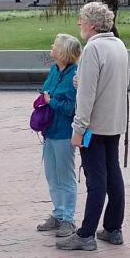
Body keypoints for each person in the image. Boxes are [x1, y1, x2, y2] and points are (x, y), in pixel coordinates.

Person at [56, 2, 129, 251]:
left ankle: (86, 234)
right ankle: (113, 228)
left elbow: (86, 96)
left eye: (82, 19)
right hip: (114, 123)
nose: (79, 23)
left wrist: (78, 130)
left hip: (93, 127)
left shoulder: (93, 49)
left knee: (95, 180)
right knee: (113, 174)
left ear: (92, 24)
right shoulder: (119, 45)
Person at [36, 34, 81, 238]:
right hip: (49, 131)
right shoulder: (54, 70)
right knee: (52, 174)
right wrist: (47, 98)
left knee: (65, 175)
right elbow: (46, 90)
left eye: (55, 45)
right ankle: (58, 212)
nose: (51, 47)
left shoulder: (74, 75)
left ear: (63, 52)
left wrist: (50, 100)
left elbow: (69, 107)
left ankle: (68, 218)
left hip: (63, 132)